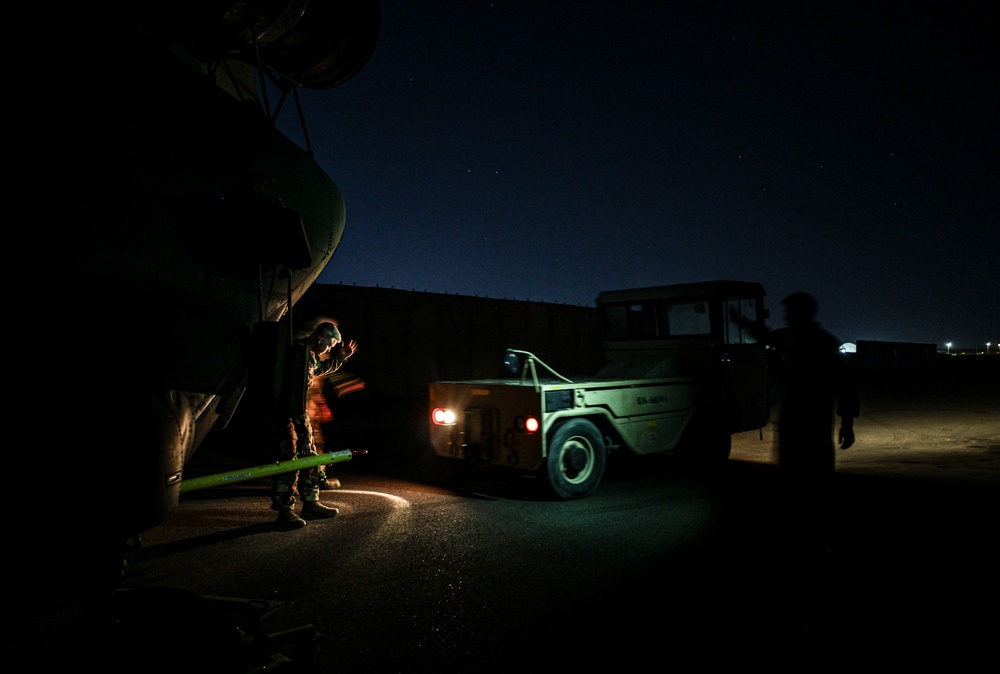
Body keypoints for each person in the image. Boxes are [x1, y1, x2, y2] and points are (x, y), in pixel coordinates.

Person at [766, 292, 860, 492]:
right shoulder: (821, 341)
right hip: (805, 420)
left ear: (801, 314)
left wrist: (847, 424)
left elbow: (844, 386)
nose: (786, 317)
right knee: (807, 474)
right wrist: (847, 423)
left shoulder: (812, 342)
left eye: (790, 313)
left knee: (810, 476)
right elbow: (846, 387)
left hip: (811, 420)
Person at [271, 321, 359, 529]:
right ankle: (284, 511)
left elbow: (321, 368)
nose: (328, 350)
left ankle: (310, 503)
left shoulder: (309, 357)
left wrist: (341, 357)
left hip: (300, 415)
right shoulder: (296, 353)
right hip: (287, 415)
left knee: (310, 457)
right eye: (329, 345)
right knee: (289, 459)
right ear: (320, 338)